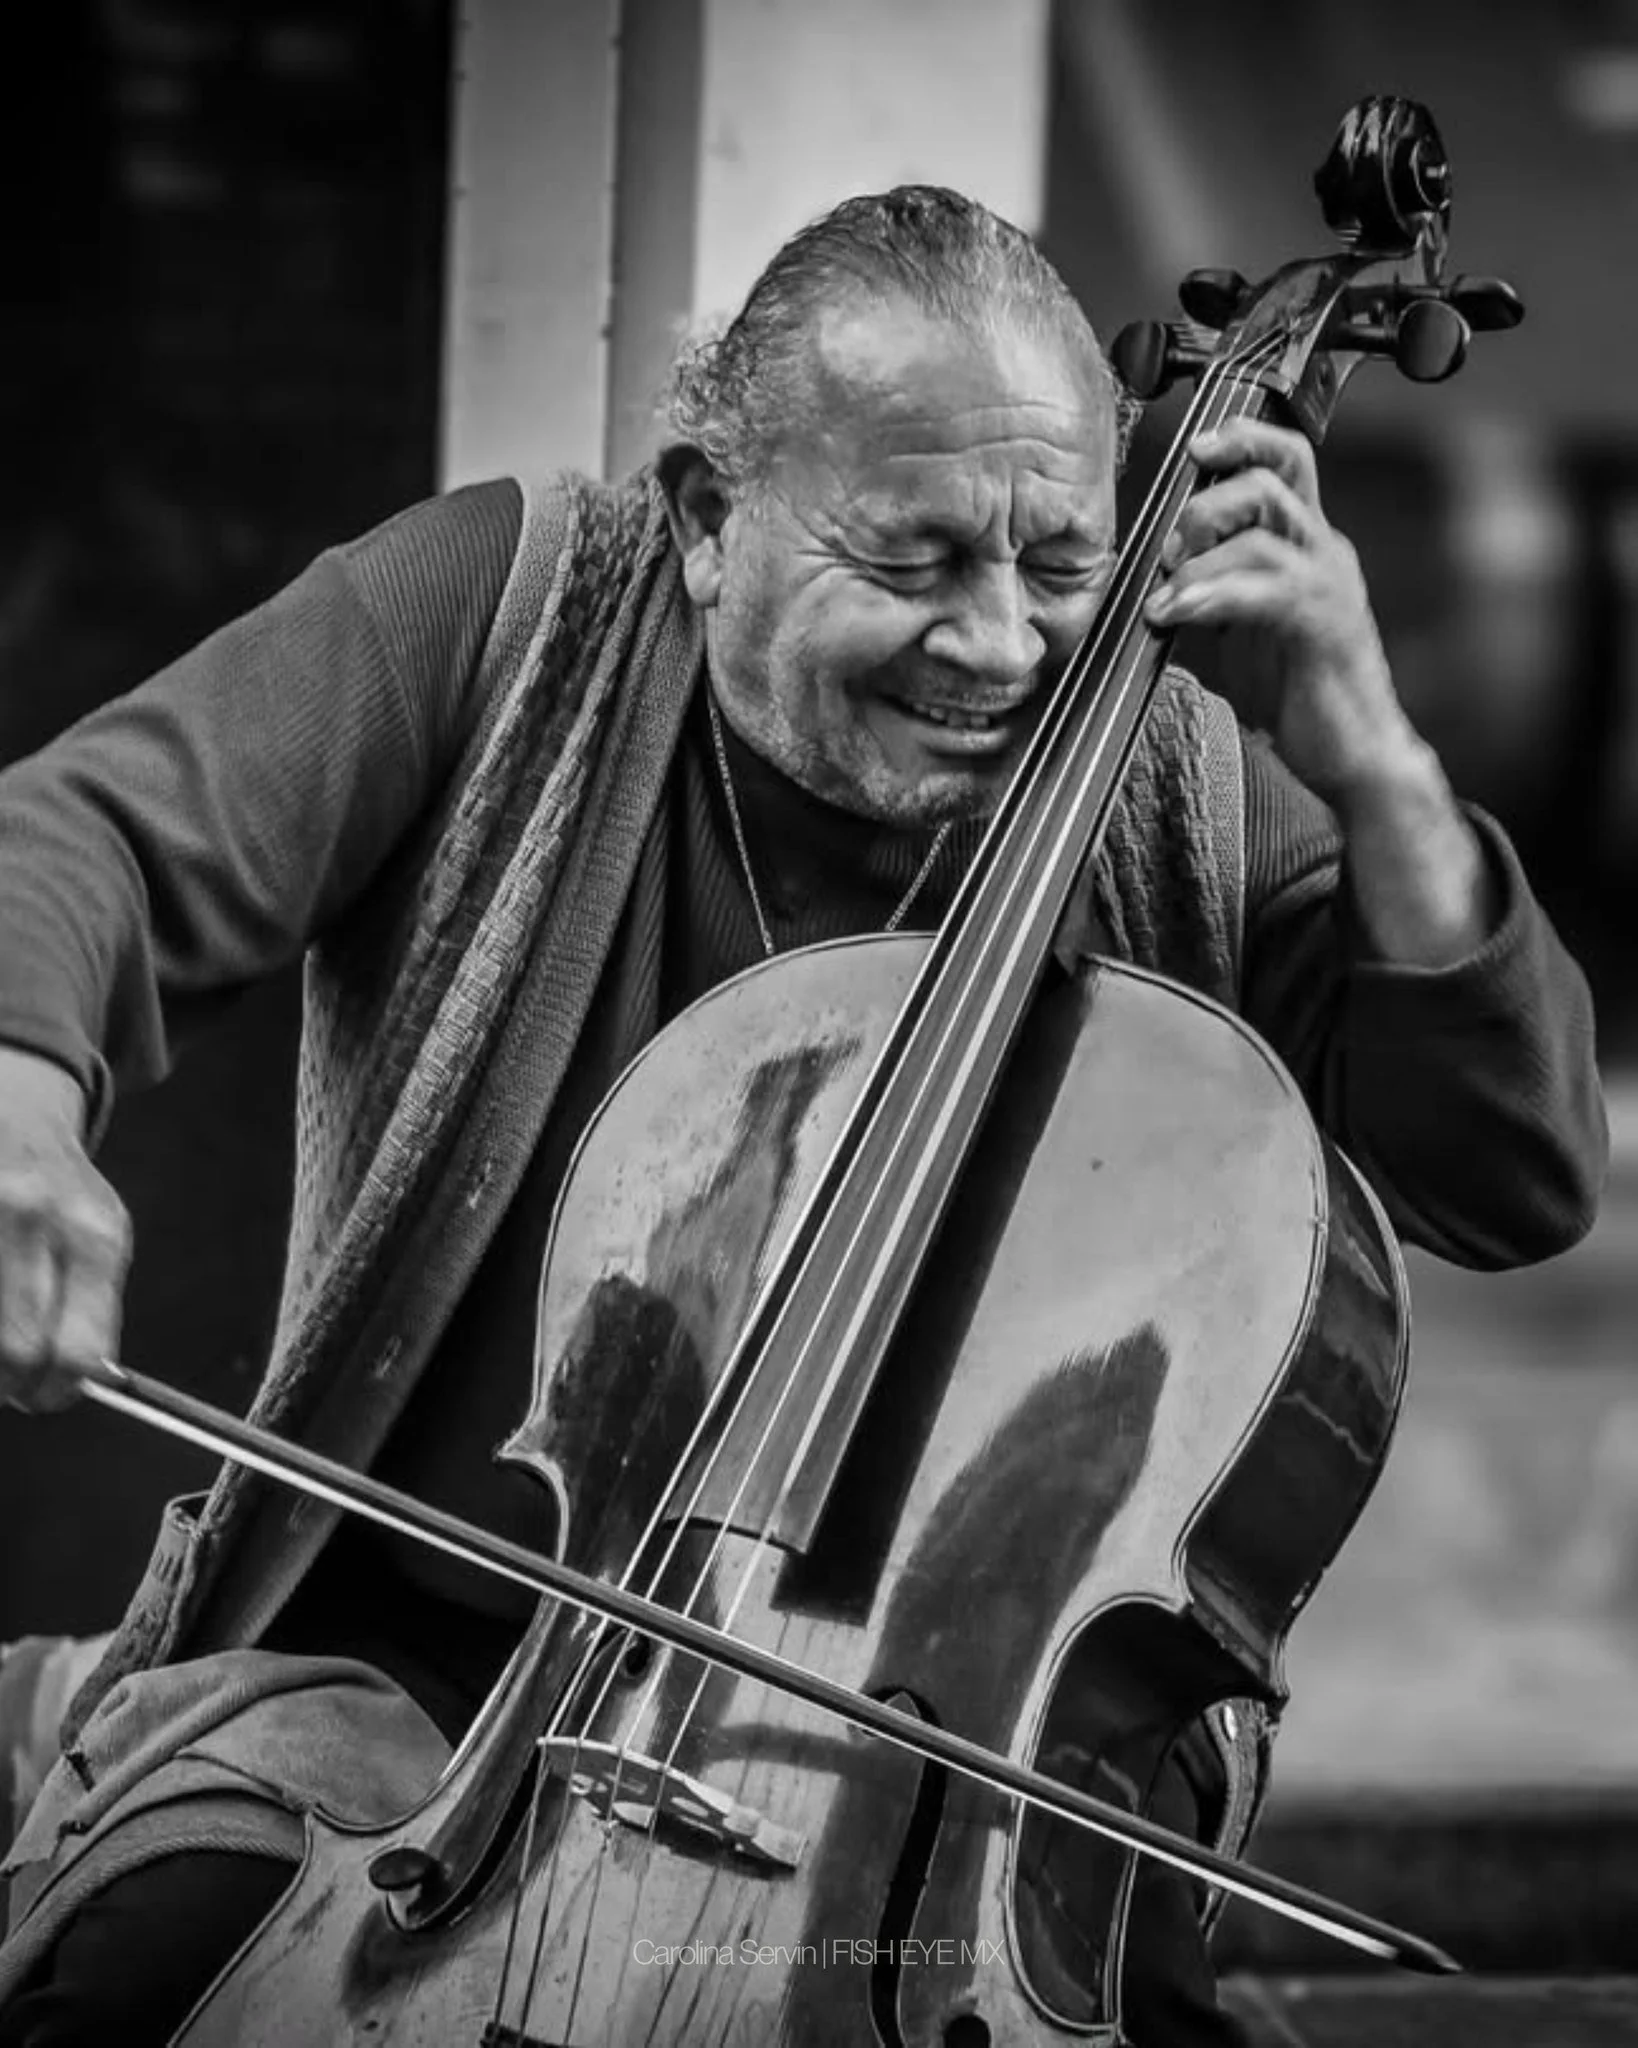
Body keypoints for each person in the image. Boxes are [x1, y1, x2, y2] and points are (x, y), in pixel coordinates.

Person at [0, 185, 1606, 2046]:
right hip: (434, 1687)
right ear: (705, 521)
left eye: (1059, 565)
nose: (1002, 647)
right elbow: (89, 838)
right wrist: (22, 1110)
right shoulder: (511, 615)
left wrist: (1372, 749)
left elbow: (1513, 1172)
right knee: (136, 1979)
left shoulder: (1171, 779)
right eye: (913, 563)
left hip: (966, 1766)